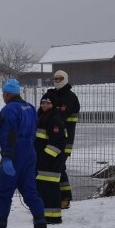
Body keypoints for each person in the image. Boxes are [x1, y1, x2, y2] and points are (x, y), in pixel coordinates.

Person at [0, 79, 49, 228]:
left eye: (3, 93)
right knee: (31, 193)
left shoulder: (9, 110)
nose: (3, 96)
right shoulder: (31, 108)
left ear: (7, 93)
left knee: (4, 193)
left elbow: (8, 134)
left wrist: (7, 157)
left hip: (15, 153)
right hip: (30, 153)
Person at [47, 70, 80, 209]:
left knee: (59, 167)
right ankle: (59, 196)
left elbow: (60, 116)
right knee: (58, 167)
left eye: (60, 78)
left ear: (65, 79)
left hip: (65, 139)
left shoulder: (69, 97)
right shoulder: (53, 94)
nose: (58, 80)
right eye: (55, 78)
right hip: (52, 138)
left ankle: (65, 198)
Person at [35, 90, 67, 224]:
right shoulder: (42, 118)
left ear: (53, 105)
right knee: (43, 188)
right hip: (43, 161)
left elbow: (56, 144)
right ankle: (46, 215)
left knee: (51, 189)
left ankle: (54, 217)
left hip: (51, 162)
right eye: (42, 102)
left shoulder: (54, 120)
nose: (44, 105)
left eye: (47, 103)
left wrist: (44, 159)